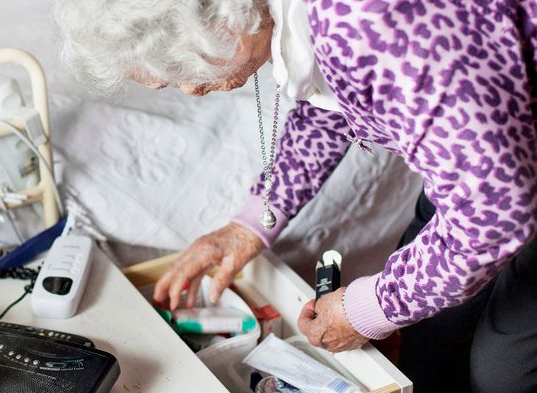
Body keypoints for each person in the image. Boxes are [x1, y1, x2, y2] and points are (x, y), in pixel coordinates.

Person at [53, 0, 537, 391]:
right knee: (434, 335)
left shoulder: (363, 20)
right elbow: (341, 100)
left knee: (502, 368)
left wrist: (370, 309)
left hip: (500, 192)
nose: (189, 91)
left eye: (179, 70)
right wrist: (247, 226)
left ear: (223, 17)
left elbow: (493, 217)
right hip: (483, 176)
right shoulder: (315, 21)